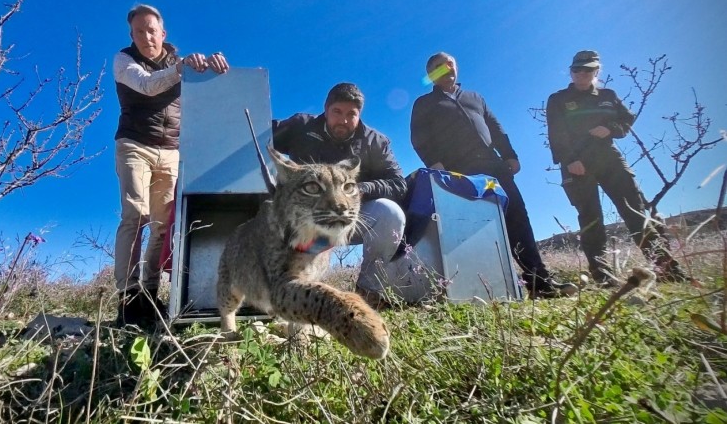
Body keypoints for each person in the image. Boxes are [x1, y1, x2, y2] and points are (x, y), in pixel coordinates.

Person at [410, 52, 577, 299]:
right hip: (459, 172)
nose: (446, 68)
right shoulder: (424, 104)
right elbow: (419, 138)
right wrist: (436, 164)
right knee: (474, 227)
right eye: (437, 67)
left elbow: (495, 127)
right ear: (431, 75)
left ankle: (540, 284)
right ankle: (477, 289)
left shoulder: (475, 97)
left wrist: (510, 154)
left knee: (518, 217)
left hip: (495, 168)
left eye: (450, 64)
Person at [113, 4, 229, 326]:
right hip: (135, 145)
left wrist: (215, 69)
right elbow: (149, 84)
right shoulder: (124, 61)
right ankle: (127, 298)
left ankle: (149, 294)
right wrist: (181, 69)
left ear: (163, 33)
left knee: (164, 225)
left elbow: (211, 99)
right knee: (135, 216)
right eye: (139, 31)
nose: (146, 36)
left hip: (171, 151)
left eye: (152, 30)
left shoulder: (182, 64)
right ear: (132, 36)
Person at [546, 50, 691, 285]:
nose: (582, 74)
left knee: (635, 211)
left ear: (596, 71)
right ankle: (603, 276)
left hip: (609, 158)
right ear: (571, 71)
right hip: (577, 164)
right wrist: (570, 159)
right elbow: (556, 133)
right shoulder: (558, 99)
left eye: (588, 70)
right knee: (591, 218)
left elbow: (627, 119)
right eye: (577, 70)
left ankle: (666, 270)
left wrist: (611, 128)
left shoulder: (608, 95)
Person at [273, 83, 408, 309]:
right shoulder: (300, 126)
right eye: (337, 112)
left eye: (351, 114)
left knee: (389, 212)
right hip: (302, 221)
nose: (343, 121)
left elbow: (398, 183)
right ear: (326, 110)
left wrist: (362, 189)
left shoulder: (376, 142)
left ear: (359, 115)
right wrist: (211, 75)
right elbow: (255, 130)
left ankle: (369, 293)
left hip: (348, 220)